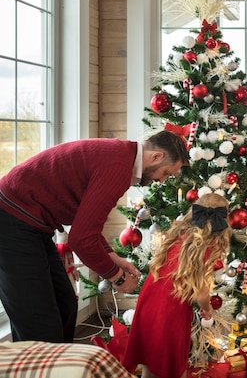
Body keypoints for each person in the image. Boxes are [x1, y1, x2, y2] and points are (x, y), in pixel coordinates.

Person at [0, 130, 189, 343]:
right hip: (11, 220)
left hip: (31, 223)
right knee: (39, 324)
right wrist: (116, 277)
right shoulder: (118, 167)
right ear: (156, 157)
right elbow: (81, 239)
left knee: (66, 305)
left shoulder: (121, 157)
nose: (162, 180)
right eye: (165, 173)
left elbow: (87, 224)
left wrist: (113, 257)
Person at [123, 193, 231, 378]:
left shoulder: (180, 233)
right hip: (172, 308)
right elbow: (202, 296)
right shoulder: (207, 247)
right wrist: (208, 309)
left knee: (151, 357)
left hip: (149, 299)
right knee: (172, 364)